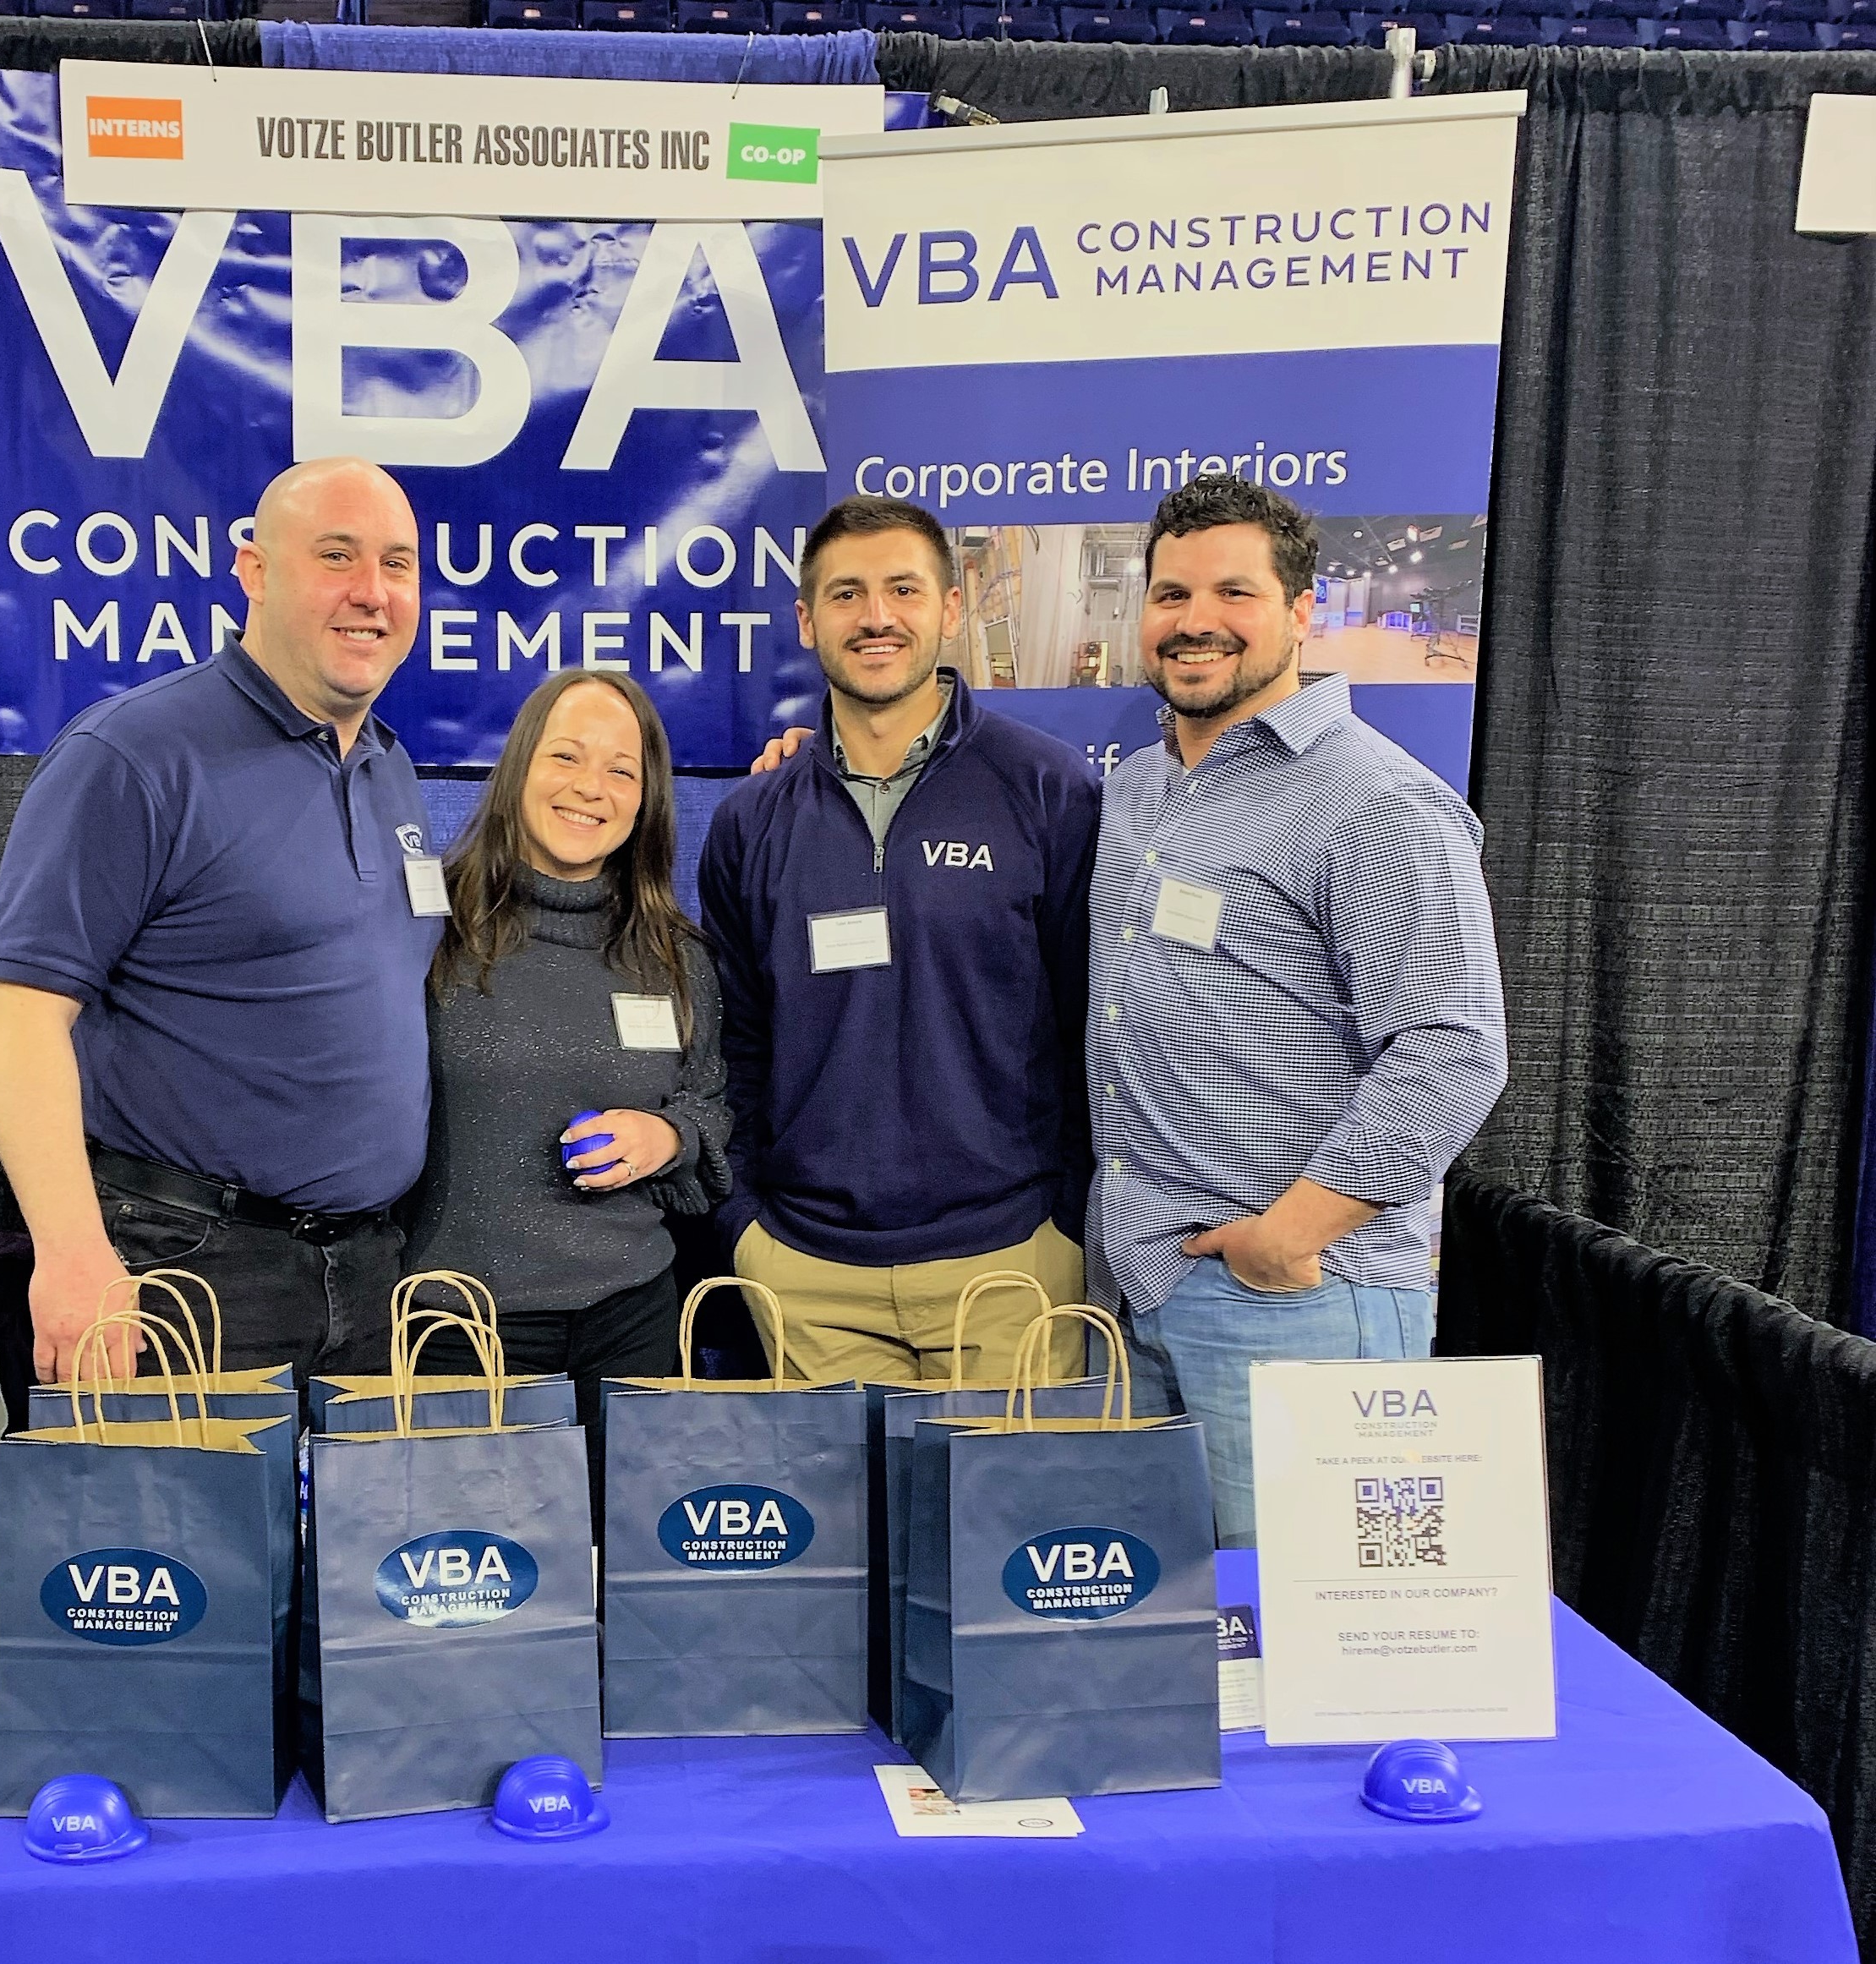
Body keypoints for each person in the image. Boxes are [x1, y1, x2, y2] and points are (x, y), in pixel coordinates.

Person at [1091, 475, 1507, 1545]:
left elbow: (1452, 1048)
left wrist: (1286, 1236)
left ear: (1300, 611)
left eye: (1233, 592)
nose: (1195, 620)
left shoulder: (1375, 799)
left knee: (1303, 1629)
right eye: (1171, 594)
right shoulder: (1135, 789)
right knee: (1171, 1626)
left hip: (1297, 1298)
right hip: (1139, 1287)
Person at [0, 457, 439, 1384]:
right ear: (254, 572)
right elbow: (15, 1013)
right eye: (336, 555)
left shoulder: (389, 766)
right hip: (188, 1273)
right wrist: (71, 1255)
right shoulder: (133, 754)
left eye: (397, 563)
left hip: (368, 1274)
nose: (372, 592)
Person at [699, 495, 1101, 1386]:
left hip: (1007, 1265)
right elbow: (736, 1043)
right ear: (806, 620)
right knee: (834, 1493)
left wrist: (1066, 1224)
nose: (875, 616)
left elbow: (1093, 1019)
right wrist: (747, 1228)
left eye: (903, 589)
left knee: (1012, 1487)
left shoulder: (1047, 789)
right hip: (804, 1274)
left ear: (950, 608)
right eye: (845, 593)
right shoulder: (749, 821)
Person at [401, 669, 730, 1514]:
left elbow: (710, 1103)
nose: (591, 786)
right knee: (474, 1576)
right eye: (567, 756)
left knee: (628, 1570)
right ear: (518, 767)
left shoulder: (674, 954)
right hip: (457, 1330)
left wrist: (669, 1139)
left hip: (632, 1325)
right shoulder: (426, 930)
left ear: (646, 799)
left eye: (621, 769)